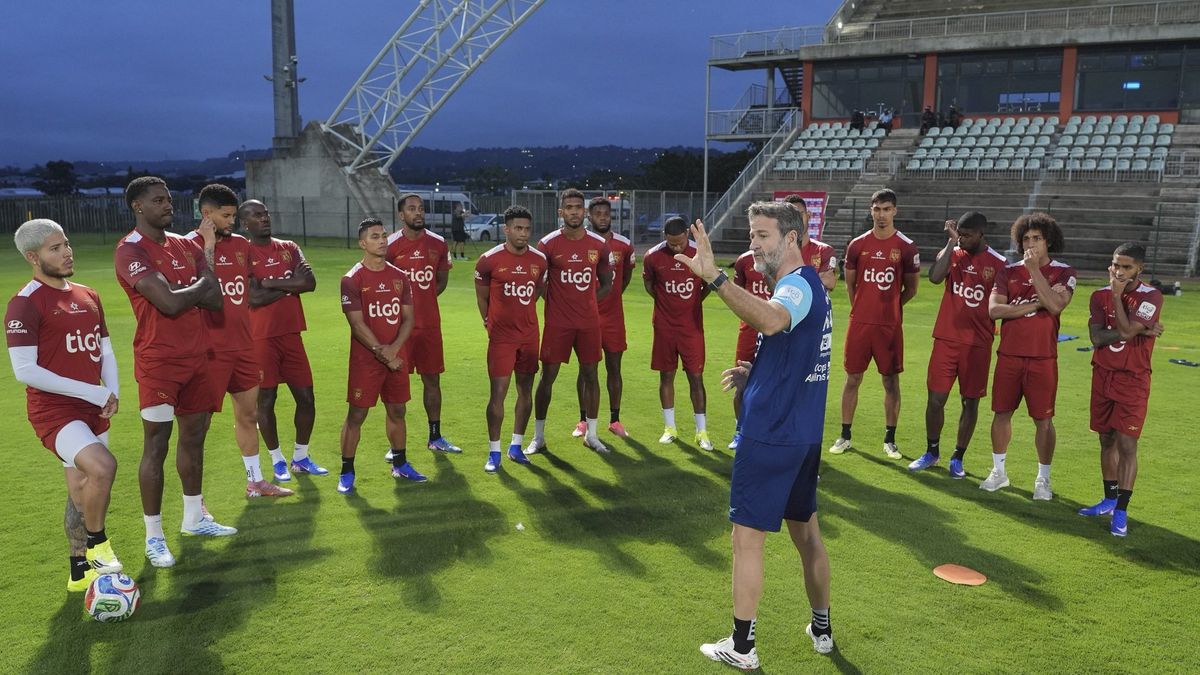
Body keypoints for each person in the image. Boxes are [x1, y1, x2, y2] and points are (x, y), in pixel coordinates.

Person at [675, 202, 835, 667]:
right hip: (802, 432)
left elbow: (772, 319)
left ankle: (742, 647)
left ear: (791, 238)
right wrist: (757, 374)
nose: (754, 244)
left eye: (763, 235)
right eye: (751, 235)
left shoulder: (796, 285)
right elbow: (798, 351)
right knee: (807, 534)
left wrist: (715, 278)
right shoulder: (808, 285)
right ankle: (821, 629)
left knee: (746, 540)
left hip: (772, 433)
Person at [115, 176, 235, 569]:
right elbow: (167, 303)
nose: (168, 205)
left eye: (168, 198)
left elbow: (215, 300)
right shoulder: (130, 249)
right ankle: (154, 537)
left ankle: (194, 518)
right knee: (157, 445)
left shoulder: (186, 244)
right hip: (159, 362)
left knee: (194, 439)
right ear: (138, 206)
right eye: (158, 200)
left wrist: (191, 289)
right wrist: (198, 287)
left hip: (197, 357)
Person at [7, 218, 124, 591]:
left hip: (93, 407)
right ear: (33, 257)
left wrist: (111, 391)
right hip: (55, 412)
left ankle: (79, 571)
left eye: (67, 244)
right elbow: (25, 370)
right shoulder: (24, 303)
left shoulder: (88, 294)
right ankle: (98, 545)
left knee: (81, 487)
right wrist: (94, 392)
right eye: (55, 249)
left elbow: (104, 349)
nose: (67, 252)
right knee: (103, 467)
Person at [185, 186, 291, 499]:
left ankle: (255, 481)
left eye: (234, 215)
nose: (233, 221)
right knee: (199, 426)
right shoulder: (188, 246)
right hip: (209, 349)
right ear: (207, 214)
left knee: (248, 415)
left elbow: (251, 287)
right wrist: (208, 244)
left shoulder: (242, 245)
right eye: (226, 215)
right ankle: (196, 502)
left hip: (243, 345)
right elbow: (204, 289)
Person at [983, 213, 1075, 498]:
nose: (1031, 244)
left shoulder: (1063, 272)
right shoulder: (1007, 272)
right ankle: (998, 472)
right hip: (1009, 355)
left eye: (1037, 238)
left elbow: (1056, 306)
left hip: (1042, 357)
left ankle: (1043, 479)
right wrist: (1036, 304)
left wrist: (1034, 271)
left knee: (1043, 421)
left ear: (1049, 241)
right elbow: (994, 311)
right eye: (1026, 239)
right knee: (1001, 414)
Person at [909, 213, 1007, 477]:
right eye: (959, 234)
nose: (962, 239)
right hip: (946, 339)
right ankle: (931, 452)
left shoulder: (999, 264)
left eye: (967, 235)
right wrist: (952, 243)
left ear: (981, 235)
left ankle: (958, 458)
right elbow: (934, 277)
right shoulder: (953, 253)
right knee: (935, 400)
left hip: (978, 344)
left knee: (970, 402)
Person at [829, 189, 919, 460]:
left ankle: (890, 440)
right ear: (871, 210)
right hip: (860, 324)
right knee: (852, 378)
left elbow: (911, 289)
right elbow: (851, 285)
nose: (882, 215)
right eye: (877, 209)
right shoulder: (857, 245)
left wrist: (891, 307)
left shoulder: (906, 246)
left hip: (889, 326)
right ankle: (845, 435)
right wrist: (862, 308)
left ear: (895, 211)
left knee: (890, 381)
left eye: (887, 209)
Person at [336, 219, 425, 493]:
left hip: (396, 357)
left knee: (398, 410)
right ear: (362, 243)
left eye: (384, 235)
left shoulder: (400, 277)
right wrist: (383, 353)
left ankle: (400, 463)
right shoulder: (352, 279)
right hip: (366, 361)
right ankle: (347, 471)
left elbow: (408, 319)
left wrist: (394, 349)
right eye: (375, 236)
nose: (383, 240)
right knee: (357, 414)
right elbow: (357, 324)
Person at [1081, 243, 1163, 536]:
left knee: (1127, 445)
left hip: (1133, 379)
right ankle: (1108, 499)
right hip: (1102, 375)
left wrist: (1117, 298)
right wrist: (1141, 329)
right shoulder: (1097, 296)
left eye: (1126, 267)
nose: (1119, 271)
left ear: (1140, 268)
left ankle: (1121, 510)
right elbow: (1096, 338)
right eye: (1116, 265)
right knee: (1106, 440)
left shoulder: (1151, 296)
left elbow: (1126, 332)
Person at [242, 200, 325, 480]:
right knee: (267, 400)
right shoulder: (245, 253)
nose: (264, 218)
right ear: (245, 223)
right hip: (261, 338)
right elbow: (253, 298)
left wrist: (269, 283)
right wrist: (291, 286)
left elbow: (310, 283)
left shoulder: (289, 247)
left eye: (265, 213)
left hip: (292, 335)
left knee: (307, 398)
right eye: (257, 215)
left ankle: (300, 457)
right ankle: (276, 459)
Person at [526, 188, 613, 455]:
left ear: (584, 212)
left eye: (578, 207)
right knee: (547, 377)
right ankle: (538, 437)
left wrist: (587, 301)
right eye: (569, 207)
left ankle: (592, 435)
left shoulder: (598, 244)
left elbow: (607, 283)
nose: (574, 212)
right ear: (561, 212)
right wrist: (557, 303)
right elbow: (537, 283)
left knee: (591, 376)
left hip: (588, 324)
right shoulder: (547, 244)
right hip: (557, 324)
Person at [386, 192, 461, 457]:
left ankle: (435, 437)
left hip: (429, 325)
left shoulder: (438, 243)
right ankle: (395, 444)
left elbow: (440, 281)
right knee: (396, 385)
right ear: (401, 215)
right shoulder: (389, 245)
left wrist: (422, 300)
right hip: (398, 330)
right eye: (411, 208)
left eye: (420, 208)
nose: (418, 212)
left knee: (432, 380)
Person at [475, 206, 548, 472]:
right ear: (506, 229)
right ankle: (494, 452)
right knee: (498, 393)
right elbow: (482, 297)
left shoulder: (539, 260)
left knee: (525, 390)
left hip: (529, 336)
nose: (523, 234)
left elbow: (537, 290)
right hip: (502, 338)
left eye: (527, 229)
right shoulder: (489, 260)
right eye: (518, 228)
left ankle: (516, 446)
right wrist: (489, 322)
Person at [644, 216, 711, 450]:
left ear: (687, 235)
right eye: (671, 243)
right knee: (666, 376)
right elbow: (650, 285)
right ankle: (669, 428)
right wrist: (667, 304)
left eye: (680, 242)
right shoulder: (652, 257)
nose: (676, 247)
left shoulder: (699, 253)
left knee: (696, 377)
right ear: (665, 237)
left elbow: (707, 284)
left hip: (691, 328)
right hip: (664, 328)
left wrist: (691, 304)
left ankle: (702, 432)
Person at [572, 197, 635, 439]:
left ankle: (615, 420)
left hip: (613, 318)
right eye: (597, 213)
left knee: (614, 368)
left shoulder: (624, 245)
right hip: (586, 317)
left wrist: (612, 296)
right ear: (589, 216)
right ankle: (583, 420)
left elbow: (624, 279)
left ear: (611, 216)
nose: (602, 217)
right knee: (586, 370)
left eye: (606, 214)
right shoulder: (582, 243)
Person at [783, 194, 837, 293]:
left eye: (800, 215)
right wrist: (816, 280)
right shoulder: (778, 252)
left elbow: (829, 281)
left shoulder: (824, 250)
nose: (796, 221)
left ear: (808, 216)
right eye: (790, 217)